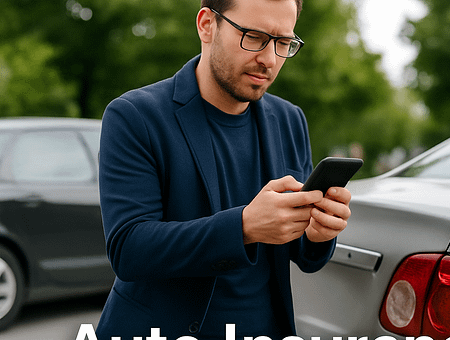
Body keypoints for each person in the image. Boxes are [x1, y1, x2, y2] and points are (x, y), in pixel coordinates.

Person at [96, 0, 352, 338]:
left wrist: (318, 234)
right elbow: (129, 250)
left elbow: (305, 257)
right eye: (255, 36)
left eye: (283, 43)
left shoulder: (290, 120)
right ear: (206, 25)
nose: (270, 59)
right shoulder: (134, 116)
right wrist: (244, 227)